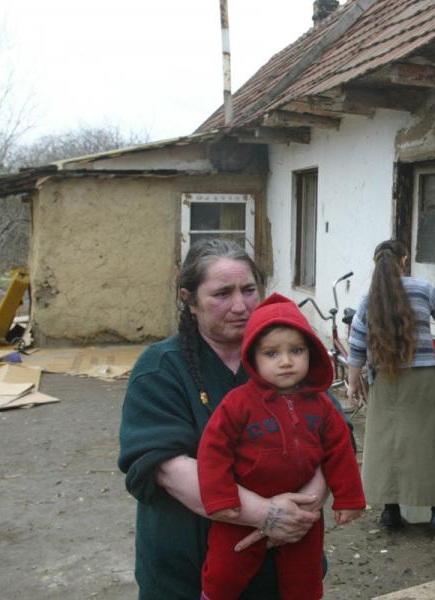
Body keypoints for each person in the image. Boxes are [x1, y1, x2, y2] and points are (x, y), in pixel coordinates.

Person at [118, 239, 327, 600]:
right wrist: (265, 515)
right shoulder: (161, 369)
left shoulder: (286, 355)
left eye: (249, 290)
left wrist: (300, 515)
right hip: (187, 572)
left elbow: (333, 440)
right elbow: (168, 468)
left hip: (284, 567)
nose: (240, 306)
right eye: (222, 294)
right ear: (190, 300)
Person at [198, 292, 365, 600]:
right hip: (243, 507)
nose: (286, 361)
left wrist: (349, 497)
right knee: (224, 571)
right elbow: (213, 448)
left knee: (305, 578)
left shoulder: (321, 405)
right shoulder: (238, 403)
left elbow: (339, 450)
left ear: (311, 353)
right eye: (272, 354)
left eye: (296, 350)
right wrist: (221, 496)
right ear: (253, 358)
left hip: (302, 511)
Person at [345, 239, 435, 533]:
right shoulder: (424, 289)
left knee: (386, 444)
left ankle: (390, 512)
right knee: (428, 444)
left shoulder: (368, 299)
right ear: (405, 260)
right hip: (422, 377)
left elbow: (356, 344)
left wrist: (352, 383)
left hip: (384, 378)